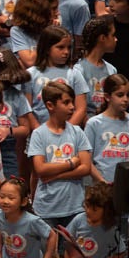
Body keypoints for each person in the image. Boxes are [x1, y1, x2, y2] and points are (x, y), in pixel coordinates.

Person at [28, 80, 93, 228]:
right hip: (46, 208)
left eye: (72, 102)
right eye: (66, 102)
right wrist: (70, 163)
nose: (72, 107)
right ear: (50, 106)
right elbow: (40, 169)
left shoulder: (77, 132)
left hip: (74, 207)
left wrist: (56, 175)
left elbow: (85, 168)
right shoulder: (39, 134)